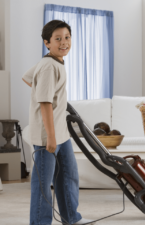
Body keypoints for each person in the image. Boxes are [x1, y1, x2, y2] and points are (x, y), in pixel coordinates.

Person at [22, 20, 94, 225]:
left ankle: (71, 217)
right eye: (58, 39)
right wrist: (50, 137)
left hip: (61, 133)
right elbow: (44, 103)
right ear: (47, 42)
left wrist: (44, 89)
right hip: (49, 136)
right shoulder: (48, 67)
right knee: (43, 184)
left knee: (68, 177)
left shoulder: (54, 61)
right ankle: (39, 222)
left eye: (67, 37)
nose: (64, 42)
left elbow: (27, 78)